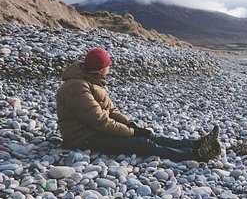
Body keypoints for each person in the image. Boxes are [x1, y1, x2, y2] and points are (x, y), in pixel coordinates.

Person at [56, 47, 221, 162]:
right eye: (108, 66)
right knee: (142, 143)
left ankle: (196, 144)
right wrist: (131, 133)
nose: (110, 68)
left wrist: (131, 125)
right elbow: (100, 121)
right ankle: (195, 155)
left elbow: (111, 110)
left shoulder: (92, 81)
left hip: (94, 130)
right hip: (82, 137)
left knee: (148, 136)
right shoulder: (76, 87)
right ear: (100, 69)